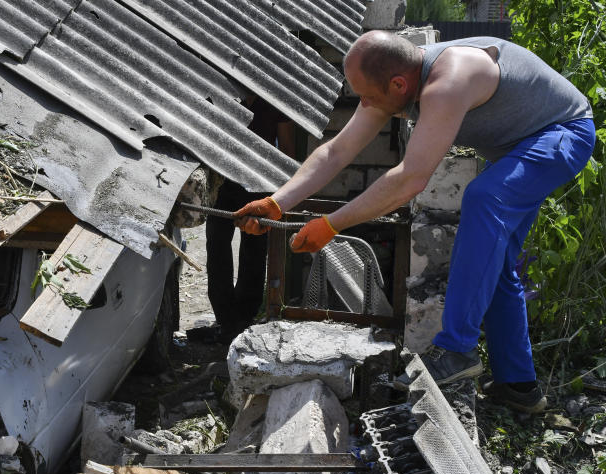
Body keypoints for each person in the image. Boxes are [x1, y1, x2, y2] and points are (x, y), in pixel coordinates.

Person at [233, 32, 595, 413]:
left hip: (562, 134)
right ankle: (519, 386)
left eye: (368, 97)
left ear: (399, 84)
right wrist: (278, 202)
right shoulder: (394, 82)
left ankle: (457, 350)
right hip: (518, 147)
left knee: (485, 198)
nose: (365, 105)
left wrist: (332, 225)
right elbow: (337, 151)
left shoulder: (449, 80)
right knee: (497, 262)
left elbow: (411, 178)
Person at [206, 97, 294, 342]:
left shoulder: (273, 101)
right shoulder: (221, 95)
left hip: (259, 185)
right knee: (217, 249)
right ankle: (225, 318)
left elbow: (287, 149)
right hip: (222, 184)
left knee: (254, 250)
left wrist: (282, 196)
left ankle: (245, 317)